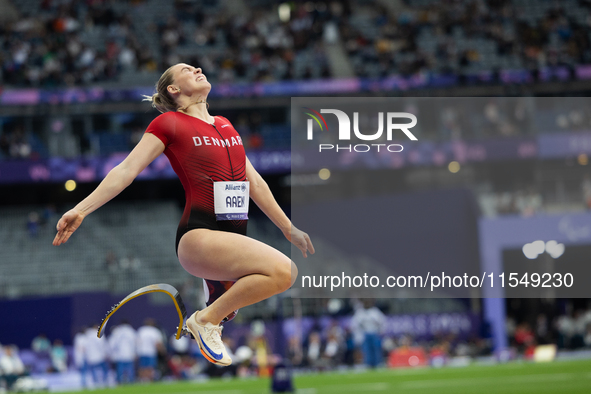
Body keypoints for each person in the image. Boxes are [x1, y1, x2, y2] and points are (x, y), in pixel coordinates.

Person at [53, 63, 314, 366]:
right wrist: (81, 208)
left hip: (231, 236)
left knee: (279, 277)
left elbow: (253, 181)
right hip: (199, 234)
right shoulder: (169, 123)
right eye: (188, 69)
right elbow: (126, 169)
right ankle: (205, 319)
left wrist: (287, 228)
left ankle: (214, 297)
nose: (199, 68)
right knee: (284, 271)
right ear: (173, 90)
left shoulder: (226, 125)